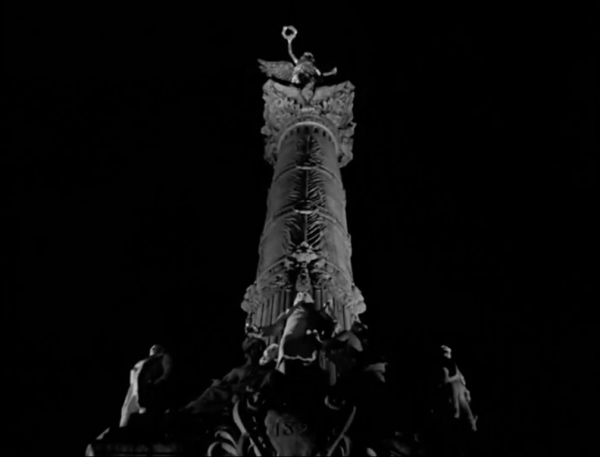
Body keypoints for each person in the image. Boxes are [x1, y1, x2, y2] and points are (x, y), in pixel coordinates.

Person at [248, 292, 336, 376]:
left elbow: (275, 328)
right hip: (303, 350)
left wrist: (259, 332)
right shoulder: (309, 314)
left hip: (295, 347)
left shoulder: (292, 313)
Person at [120, 344, 173, 427]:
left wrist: (159, 381)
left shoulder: (163, 357)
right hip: (134, 389)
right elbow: (133, 373)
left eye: (156, 347)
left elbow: (168, 369)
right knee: (127, 411)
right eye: (152, 347)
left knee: (146, 410)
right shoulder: (143, 361)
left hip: (149, 387)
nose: (153, 348)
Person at [437, 346, 478, 432]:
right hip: (453, 391)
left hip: (459, 390)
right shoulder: (444, 367)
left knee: (466, 416)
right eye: (446, 353)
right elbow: (445, 381)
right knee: (456, 413)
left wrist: (466, 390)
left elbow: (461, 378)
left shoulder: (453, 365)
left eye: (449, 353)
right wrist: (456, 377)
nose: (448, 355)